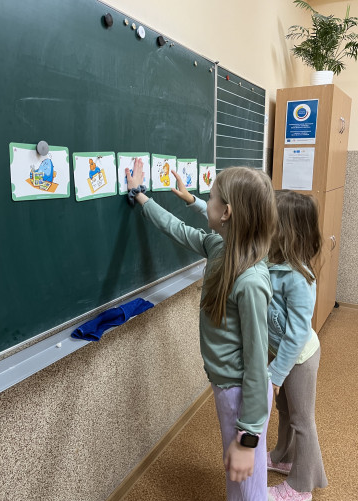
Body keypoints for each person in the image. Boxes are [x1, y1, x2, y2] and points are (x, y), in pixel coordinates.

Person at [126, 159, 277, 501]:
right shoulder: (220, 246)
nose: (205, 202)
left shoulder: (251, 281)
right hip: (229, 387)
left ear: (227, 213)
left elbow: (257, 364)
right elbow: (179, 230)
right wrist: (141, 197)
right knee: (242, 478)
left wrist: (248, 437)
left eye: (210, 198)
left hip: (242, 394)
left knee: (245, 481)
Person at [265, 190, 327, 501]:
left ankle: (301, 487)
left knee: (303, 420)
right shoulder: (272, 260)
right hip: (282, 354)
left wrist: (276, 373)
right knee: (285, 409)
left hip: (300, 357)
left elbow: (296, 334)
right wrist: (194, 203)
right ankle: (282, 456)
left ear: (285, 230)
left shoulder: (300, 278)